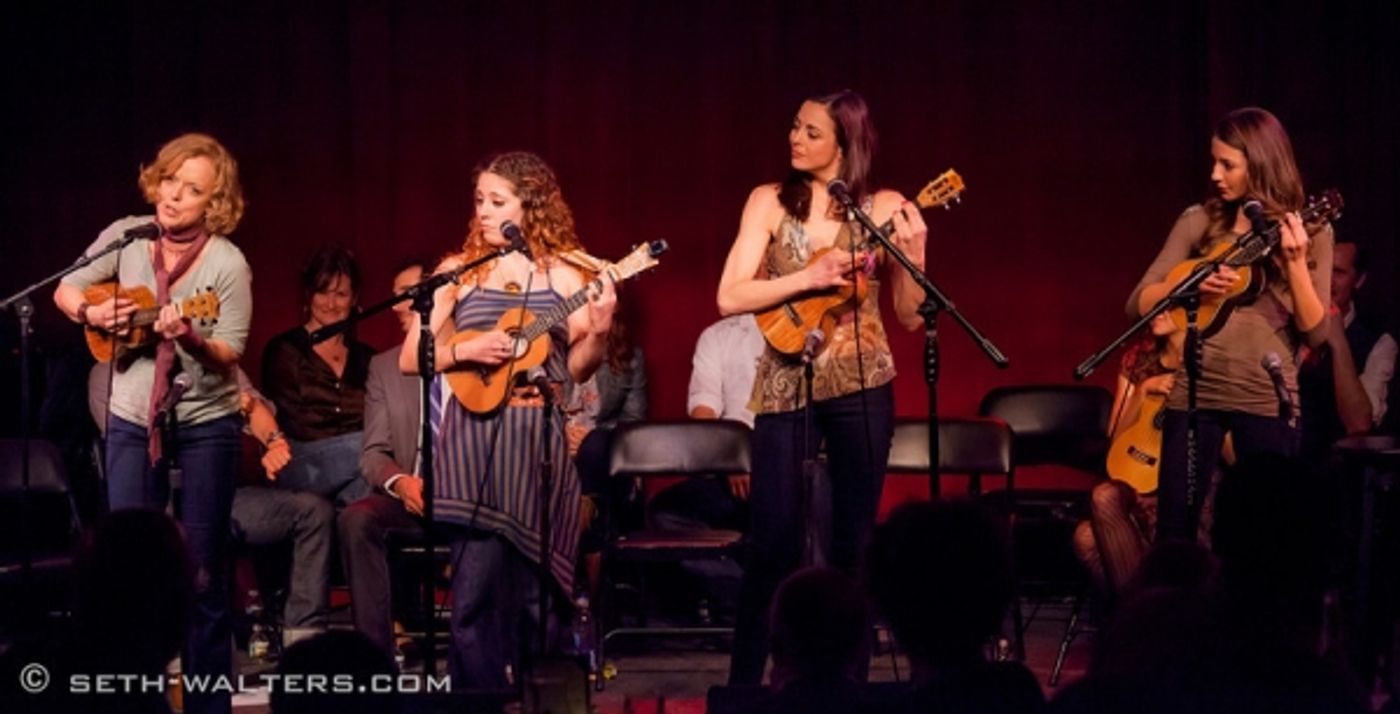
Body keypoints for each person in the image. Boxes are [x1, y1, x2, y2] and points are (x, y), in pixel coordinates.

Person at [716, 89, 928, 684]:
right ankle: (744, 687)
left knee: (853, 541)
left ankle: (847, 684)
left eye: (811, 132)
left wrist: (915, 253)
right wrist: (808, 276)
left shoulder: (880, 207)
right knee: (773, 543)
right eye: (794, 127)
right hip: (785, 377)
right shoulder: (768, 202)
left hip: (863, 379)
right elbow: (730, 294)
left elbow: (910, 315)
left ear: (845, 143)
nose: (796, 139)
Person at [400, 151, 616, 690]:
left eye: (498, 202)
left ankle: (540, 696)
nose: (484, 212)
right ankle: (478, 700)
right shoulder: (457, 272)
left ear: (531, 206)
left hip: (532, 439)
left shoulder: (566, 274)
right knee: (471, 594)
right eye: (479, 201)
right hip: (469, 440)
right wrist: (467, 350)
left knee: (534, 597)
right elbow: (411, 357)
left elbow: (580, 368)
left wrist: (602, 330)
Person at [53, 132, 250, 714]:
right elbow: (67, 289)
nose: (174, 196)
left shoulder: (226, 264)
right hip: (131, 416)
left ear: (213, 203)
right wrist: (92, 310)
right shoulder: (127, 235)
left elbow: (230, 350)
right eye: (170, 180)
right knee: (126, 569)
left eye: (192, 190)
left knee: (203, 575)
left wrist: (190, 333)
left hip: (205, 419)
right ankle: (130, 701)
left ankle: (208, 703)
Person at [1127, 107, 1332, 544]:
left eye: (1228, 164)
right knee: (1175, 535)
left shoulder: (1309, 229)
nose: (1216, 174)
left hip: (1265, 399)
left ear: (1260, 164)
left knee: (1263, 537)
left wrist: (1295, 262)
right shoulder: (1197, 221)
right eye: (1214, 162)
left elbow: (1316, 333)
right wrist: (1190, 285)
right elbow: (1137, 301)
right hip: (1194, 394)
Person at [339, 256, 432, 659]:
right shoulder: (384, 367)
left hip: (469, 499)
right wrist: (402, 482)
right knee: (356, 518)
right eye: (393, 297)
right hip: (411, 497)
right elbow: (373, 453)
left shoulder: (471, 354)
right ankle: (374, 658)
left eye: (405, 296)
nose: (395, 306)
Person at [1072, 312, 1182, 596]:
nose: (1156, 313)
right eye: (1155, 305)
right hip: (1135, 479)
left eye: (1170, 306)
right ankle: (1139, 618)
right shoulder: (1137, 360)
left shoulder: (1212, 363)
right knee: (1086, 536)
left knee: (1091, 536)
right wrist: (1143, 391)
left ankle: (1138, 621)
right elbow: (1116, 433)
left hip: (1183, 483)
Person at [261, 245, 376, 507]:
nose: (331, 303)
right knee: (370, 447)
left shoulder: (367, 357)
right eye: (322, 292)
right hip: (300, 461)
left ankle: (338, 511)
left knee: (364, 493)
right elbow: (293, 422)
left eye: (341, 294)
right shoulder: (285, 350)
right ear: (308, 294)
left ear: (354, 298)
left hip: (357, 469)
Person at [1298, 238, 1396, 458]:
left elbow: (1359, 425)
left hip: (1334, 473)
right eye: (1319, 269)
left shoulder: (1379, 343)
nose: (1326, 281)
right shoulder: (1287, 325)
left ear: (1358, 280)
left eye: (1338, 272)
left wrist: (1338, 342)